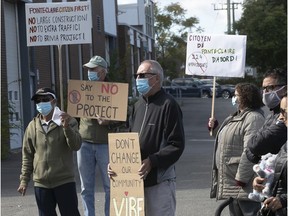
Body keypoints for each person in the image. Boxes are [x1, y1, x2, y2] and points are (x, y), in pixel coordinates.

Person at [108, 60, 185, 216]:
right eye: (136, 75)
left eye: (142, 75)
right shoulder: (137, 106)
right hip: (134, 183)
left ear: (156, 78)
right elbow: (129, 140)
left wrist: (152, 161)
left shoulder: (169, 105)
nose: (137, 79)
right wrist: (117, 163)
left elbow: (177, 145)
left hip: (159, 182)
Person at [17, 87, 82, 216]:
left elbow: (76, 145)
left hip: (64, 181)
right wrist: (24, 180)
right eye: (38, 100)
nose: (41, 103)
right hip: (41, 183)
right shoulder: (32, 126)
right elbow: (27, 155)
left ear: (54, 101)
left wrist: (66, 128)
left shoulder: (69, 120)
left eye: (45, 99)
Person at [209, 83, 265, 216]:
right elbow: (228, 140)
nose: (234, 98)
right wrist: (215, 127)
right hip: (234, 183)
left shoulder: (253, 118)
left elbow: (251, 150)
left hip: (244, 184)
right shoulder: (236, 116)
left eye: (236, 95)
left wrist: (241, 178)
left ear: (246, 97)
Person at [78, 55, 118, 216]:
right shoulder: (83, 89)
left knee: (110, 185)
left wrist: (109, 121)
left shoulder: (115, 91)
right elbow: (75, 112)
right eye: (88, 69)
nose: (89, 72)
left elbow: (123, 117)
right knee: (85, 187)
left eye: (93, 69)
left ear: (102, 72)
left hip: (105, 144)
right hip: (84, 143)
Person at [253, 95, 287, 216]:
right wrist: (264, 182)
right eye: (280, 112)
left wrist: (284, 200)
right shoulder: (285, 145)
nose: (281, 117)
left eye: (284, 112)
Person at [246, 68, 287, 164]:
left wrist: (258, 151)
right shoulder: (271, 116)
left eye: (270, 88)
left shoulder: (285, 117)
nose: (265, 92)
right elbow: (249, 150)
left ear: (285, 88)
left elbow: (256, 145)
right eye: (264, 89)